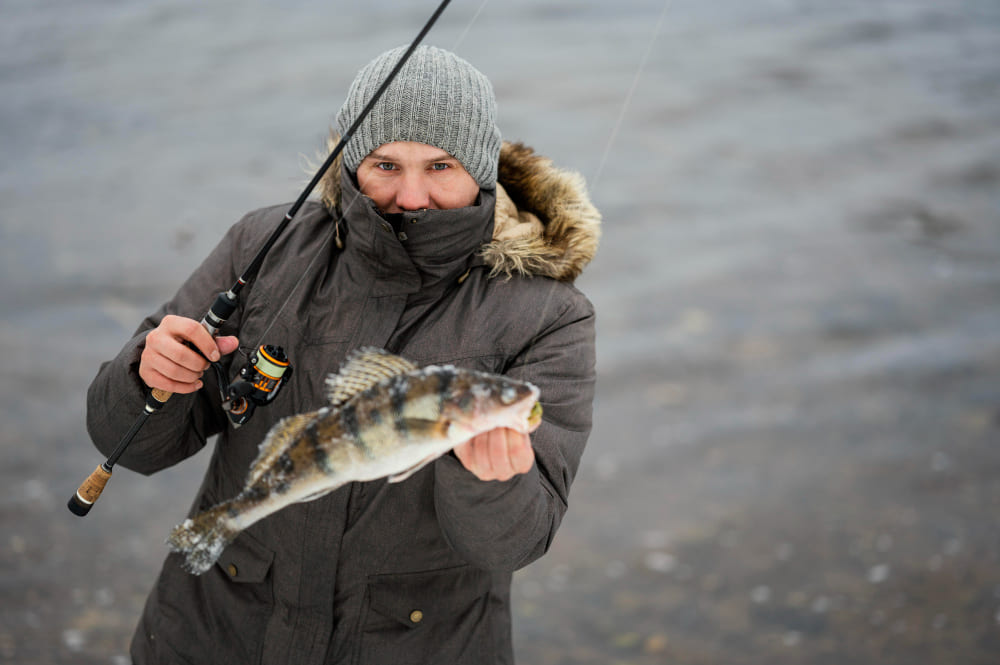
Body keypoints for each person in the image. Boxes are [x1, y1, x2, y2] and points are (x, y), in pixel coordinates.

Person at [87, 44, 600, 665]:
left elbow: (513, 543)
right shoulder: (261, 246)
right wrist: (150, 378)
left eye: (442, 166)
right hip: (213, 636)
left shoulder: (552, 316)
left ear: (483, 168)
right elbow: (135, 445)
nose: (412, 196)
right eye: (386, 164)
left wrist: (489, 484)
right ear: (352, 159)